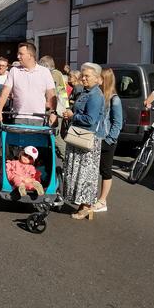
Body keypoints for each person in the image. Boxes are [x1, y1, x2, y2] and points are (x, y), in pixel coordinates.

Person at [61, 62, 104, 220]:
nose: (83, 78)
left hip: (87, 137)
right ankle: (82, 204)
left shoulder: (95, 95)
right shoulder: (86, 92)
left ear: (97, 78)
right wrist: (70, 113)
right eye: (83, 75)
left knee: (86, 174)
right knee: (79, 172)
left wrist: (73, 116)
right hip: (79, 136)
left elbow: (90, 119)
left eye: (87, 76)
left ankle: (86, 206)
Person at [0, 42, 57, 127]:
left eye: (21, 54)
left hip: (38, 118)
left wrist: (53, 113)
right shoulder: (14, 71)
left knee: (36, 141)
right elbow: (5, 92)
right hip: (18, 117)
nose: (18, 57)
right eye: (18, 54)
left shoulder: (44, 72)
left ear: (30, 55)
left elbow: (51, 95)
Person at [94, 68, 123, 213]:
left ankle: (102, 200)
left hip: (106, 140)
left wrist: (110, 140)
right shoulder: (98, 96)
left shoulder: (114, 99)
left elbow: (118, 122)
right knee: (93, 170)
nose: (97, 80)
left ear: (105, 80)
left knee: (105, 170)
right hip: (95, 139)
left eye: (99, 78)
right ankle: (92, 198)